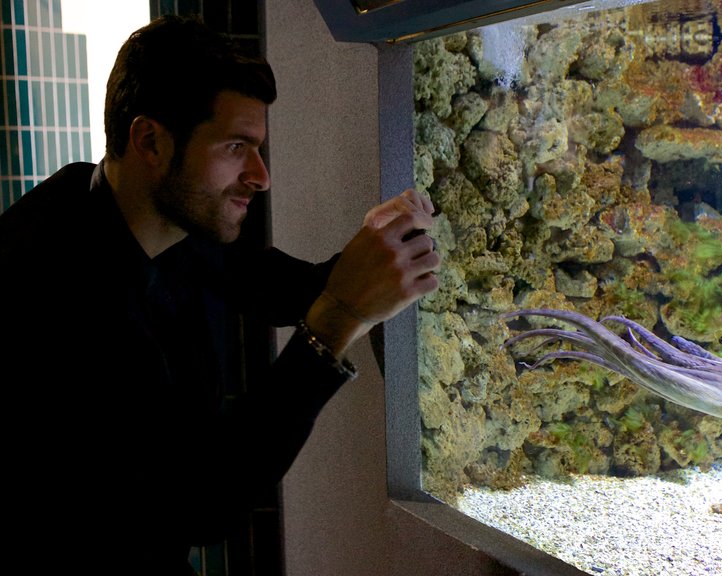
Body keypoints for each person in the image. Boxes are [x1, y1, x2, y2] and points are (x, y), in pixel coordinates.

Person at [0, 14, 440, 574]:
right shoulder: (53, 292)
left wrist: (379, 244)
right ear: (150, 141)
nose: (260, 175)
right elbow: (201, 507)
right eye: (236, 146)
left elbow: (283, 287)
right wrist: (338, 319)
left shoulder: (146, 213)